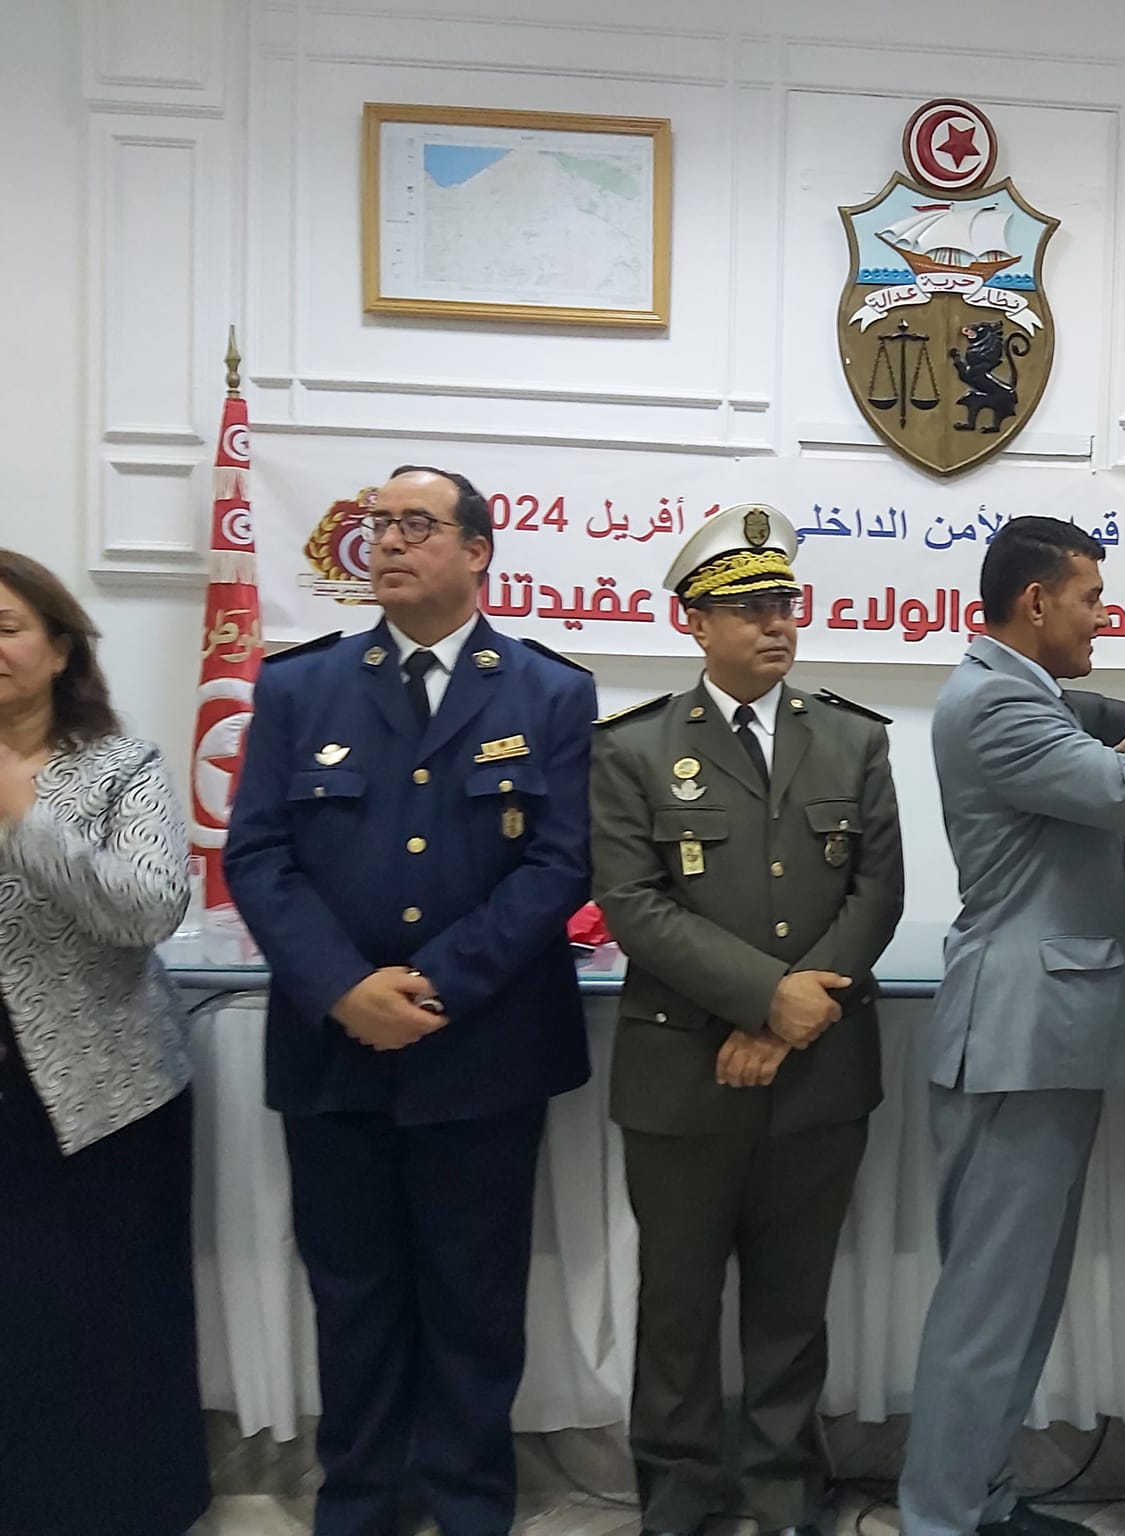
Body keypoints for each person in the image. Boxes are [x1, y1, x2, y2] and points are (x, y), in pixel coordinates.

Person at [224, 465, 597, 1536]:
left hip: (485, 1051)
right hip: (333, 1050)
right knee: (352, 1298)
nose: (386, 542)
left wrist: (436, 982)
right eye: (377, 524)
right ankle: (359, 1502)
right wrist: (343, 987)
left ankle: (472, 1504)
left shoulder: (548, 693)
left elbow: (561, 864)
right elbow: (258, 856)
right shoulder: (300, 687)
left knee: (476, 1301)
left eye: (415, 525)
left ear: (477, 551)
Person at [898, 516, 1125, 1536]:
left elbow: (1109, 776)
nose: (1102, 616)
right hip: (1014, 1042)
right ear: (1035, 602)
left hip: (1045, 1039)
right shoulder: (994, 702)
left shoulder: (1027, 700)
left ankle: (983, 1501)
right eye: (1091, 598)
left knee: (1019, 1304)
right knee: (986, 1310)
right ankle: (938, 1519)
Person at [589, 503, 906, 1536]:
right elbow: (631, 903)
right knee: (677, 1311)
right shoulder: (633, 749)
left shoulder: (852, 738)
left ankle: (784, 1495)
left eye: (785, 603)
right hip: (682, 1077)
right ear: (694, 622)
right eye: (749, 607)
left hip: (817, 1076)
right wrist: (766, 997)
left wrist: (788, 1019)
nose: (776, 623)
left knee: (791, 1310)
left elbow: (877, 892)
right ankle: (677, 1500)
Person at [0, 549, 210, 1536]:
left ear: (58, 647)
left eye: (6, 628)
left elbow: (147, 909)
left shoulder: (122, 767)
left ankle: (137, 1506)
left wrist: (25, 817)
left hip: (105, 1094)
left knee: (111, 1315)